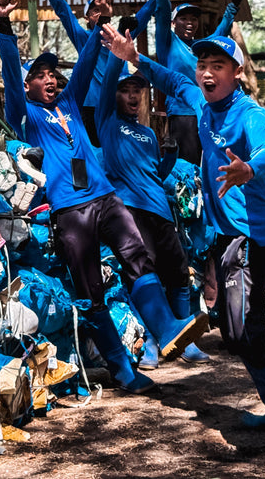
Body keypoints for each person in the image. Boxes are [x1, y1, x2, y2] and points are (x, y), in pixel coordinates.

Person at [101, 24, 265, 463]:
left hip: (252, 238)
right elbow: (169, 79)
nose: (207, 73)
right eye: (203, 65)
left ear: (236, 71)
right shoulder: (201, 100)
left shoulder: (247, 112)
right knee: (235, 331)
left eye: (218, 66)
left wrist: (251, 170)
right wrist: (132, 56)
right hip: (225, 238)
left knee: (248, 332)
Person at [0, 0, 208, 396]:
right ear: (28, 85)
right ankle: (123, 371)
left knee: (136, 255)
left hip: (106, 198)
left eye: (54, 74)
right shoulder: (26, 115)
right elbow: (9, 72)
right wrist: (5, 27)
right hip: (69, 212)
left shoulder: (72, 103)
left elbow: (93, 62)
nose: (52, 79)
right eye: (41, 75)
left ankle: (166, 330)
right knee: (90, 291)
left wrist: (98, 25)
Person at [95, 49, 210, 367]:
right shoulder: (107, 122)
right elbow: (106, 84)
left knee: (178, 274)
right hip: (130, 209)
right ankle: (146, 343)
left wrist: (169, 158)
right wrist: (118, 50)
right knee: (143, 276)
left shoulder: (147, 132)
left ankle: (185, 341)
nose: (132, 96)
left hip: (161, 208)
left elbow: (155, 174)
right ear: (115, 94)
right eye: (125, 90)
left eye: (137, 90)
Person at [31, 0, 156, 145]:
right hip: (90, 107)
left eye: (102, 10)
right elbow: (63, 10)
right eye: (94, 10)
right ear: (87, 17)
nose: (98, 13)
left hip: (117, 105)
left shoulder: (120, 37)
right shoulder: (84, 38)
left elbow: (143, 16)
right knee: (94, 153)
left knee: (120, 151)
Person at [150, 0, 243, 164]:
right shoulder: (168, 41)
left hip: (207, 110)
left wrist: (232, 8)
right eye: (184, 18)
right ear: (174, 22)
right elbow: (163, 11)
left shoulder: (200, 47)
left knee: (213, 162)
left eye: (193, 18)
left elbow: (220, 34)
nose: (190, 22)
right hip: (183, 114)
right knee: (186, 164)